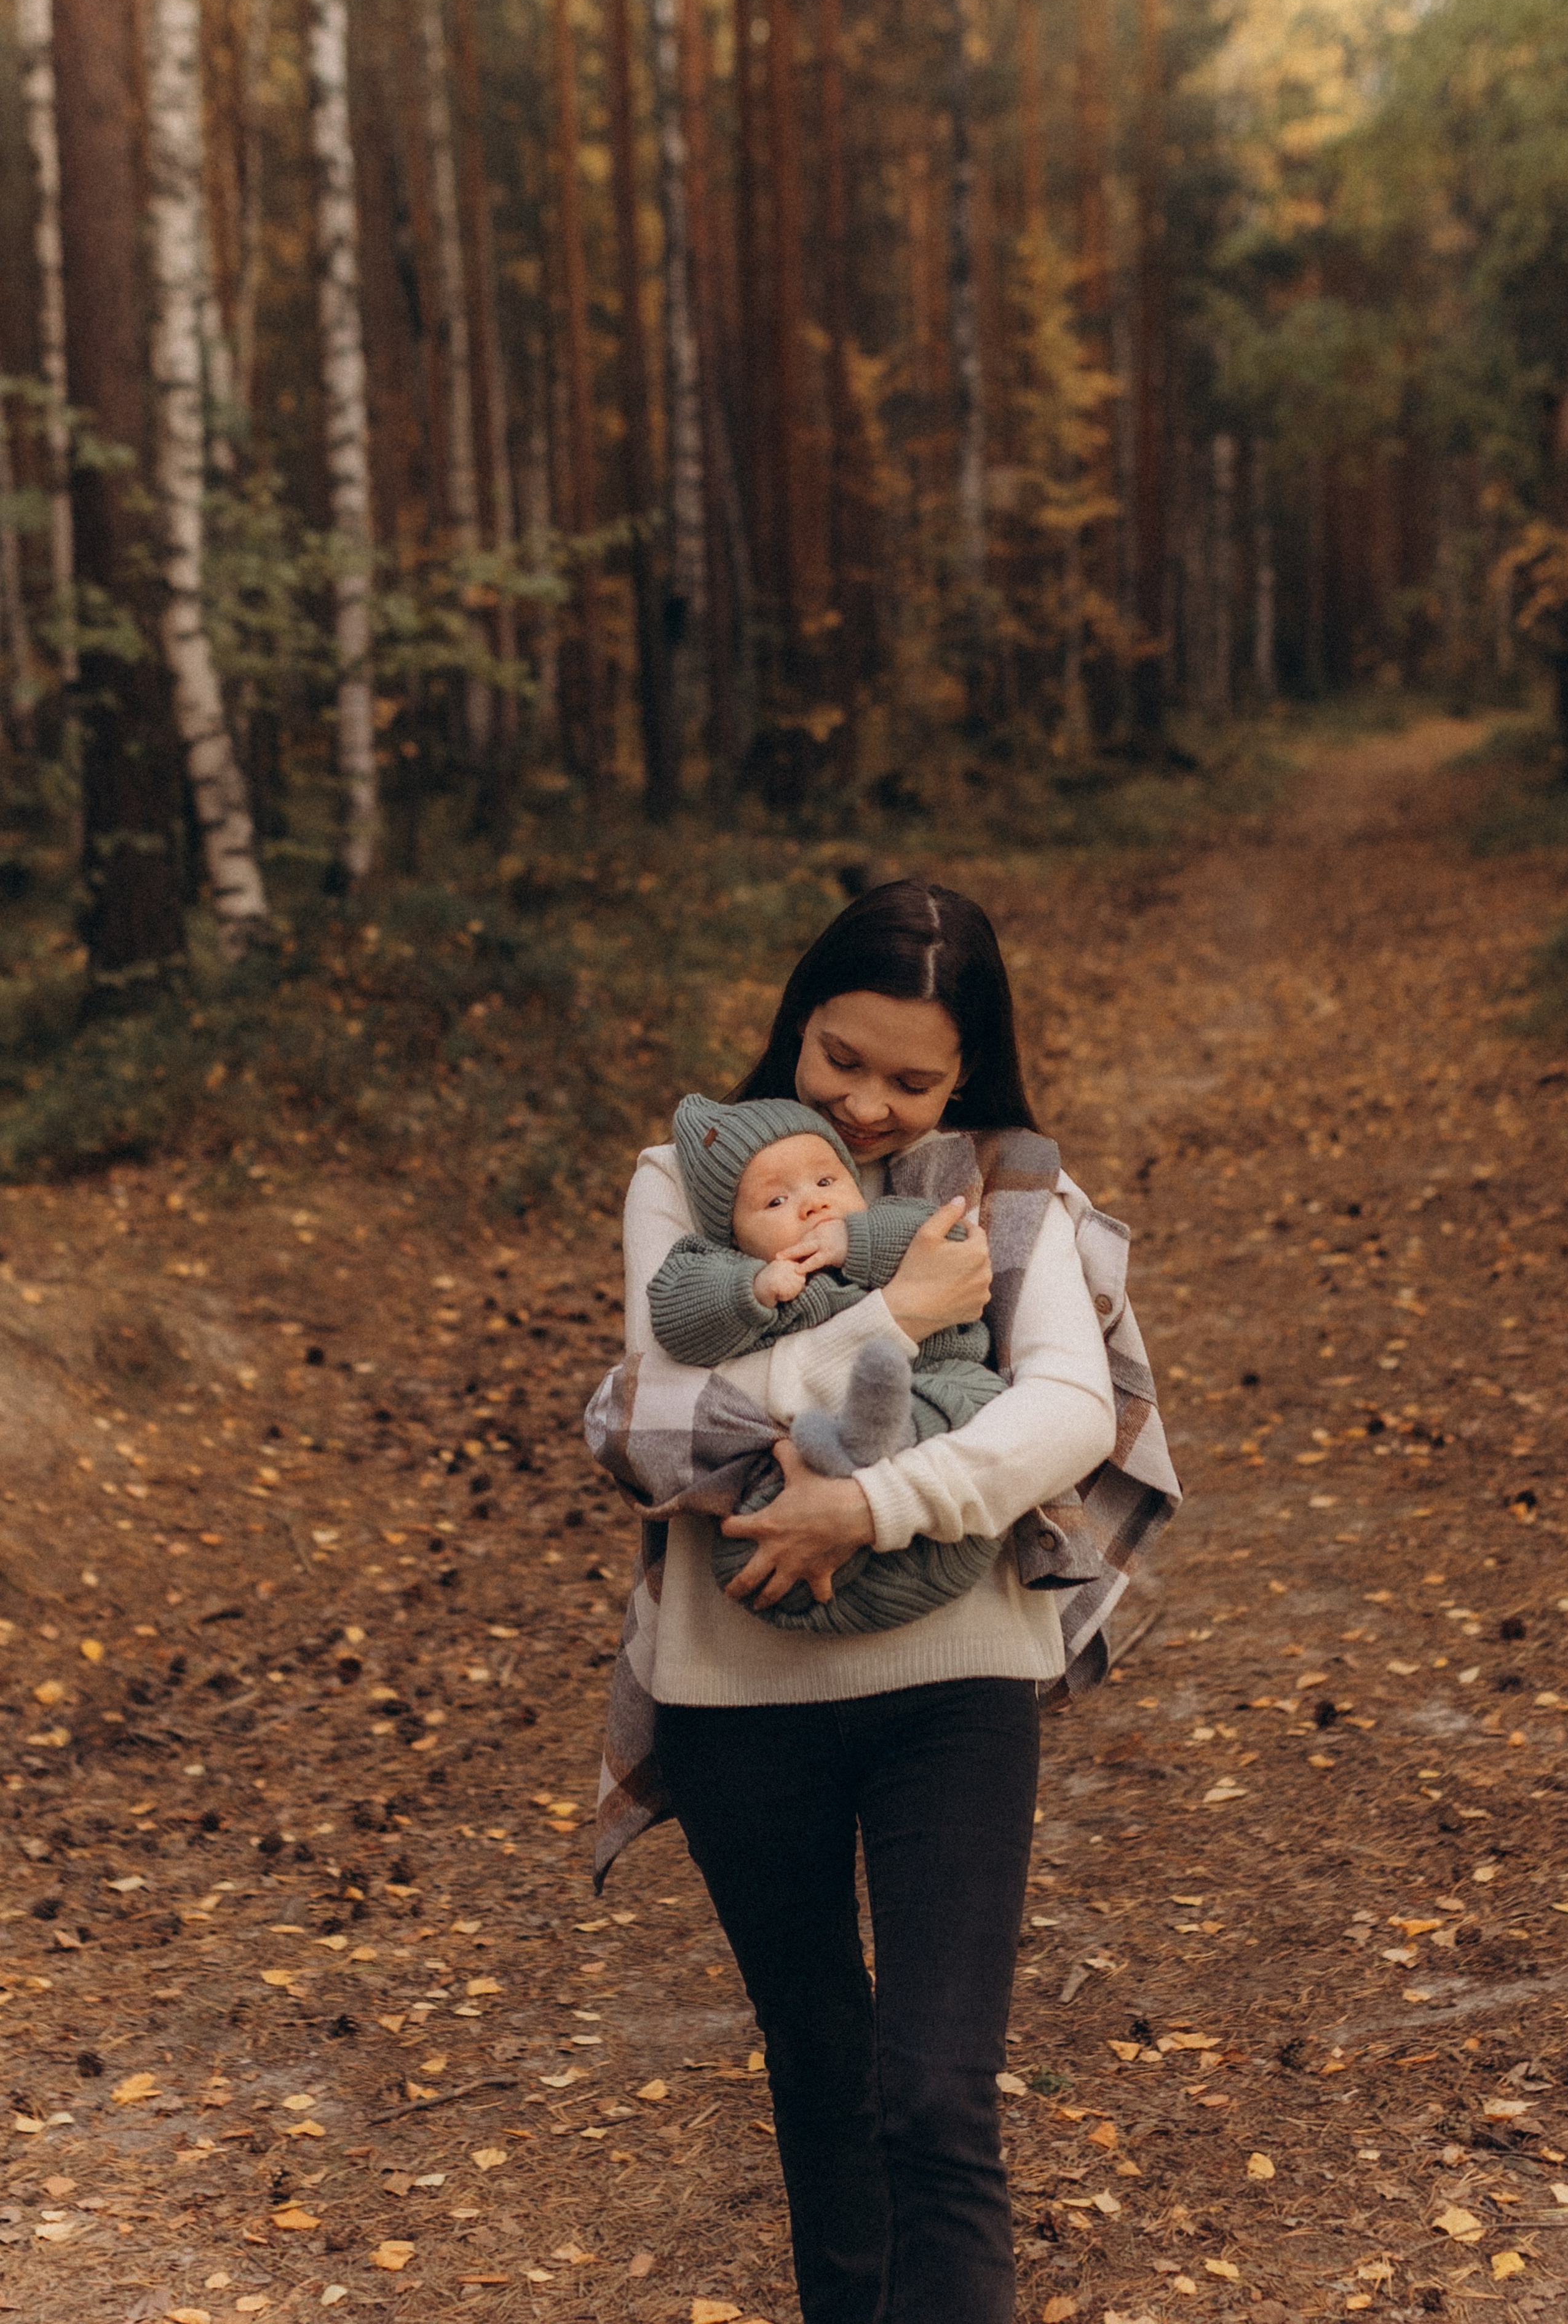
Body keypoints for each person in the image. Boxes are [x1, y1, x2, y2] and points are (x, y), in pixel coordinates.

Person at [585, 879, 1179, 2324]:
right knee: (823, 2072)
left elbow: (1064, 1411)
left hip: (953, 1681)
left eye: (911, 1079)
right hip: (738, 1692)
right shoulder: (684, 1179)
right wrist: (897, 1318)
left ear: (966, 1070)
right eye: (836, 1058)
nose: (864, 1105)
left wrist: (875, 1501)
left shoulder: (1012, 1183)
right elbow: (672, 1416)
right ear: (796, 1022)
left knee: (933, 2092)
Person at [642, 1089, 1009, 1634]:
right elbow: (676, 1316)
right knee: (744, 1551)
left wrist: (851, 1239)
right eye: (774, 1203)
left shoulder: (889, 1223)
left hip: (929, 1396)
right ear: (732, 1236)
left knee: (979, 1398)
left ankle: (872, 1437)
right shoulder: (723, 1267)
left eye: (826, 1182)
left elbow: (955, 1238)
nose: (812, 1205)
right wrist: (753, 1288)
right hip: (801, 1464)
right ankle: (845, 1459)